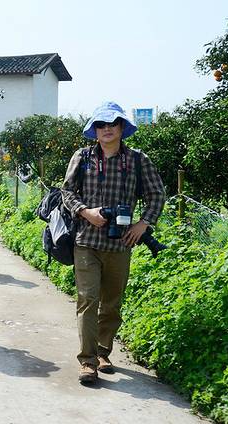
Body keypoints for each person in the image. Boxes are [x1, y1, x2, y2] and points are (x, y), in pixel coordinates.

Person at [61, 102, 165, 383]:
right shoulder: (82, 157)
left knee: (111, 303)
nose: (107, 129)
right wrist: (86, 212)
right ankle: (88, 361)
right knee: (88, 299)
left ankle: (103, 351)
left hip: (120, 244)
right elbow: (67, 192)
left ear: (121, 127)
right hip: (86, 241)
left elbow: (157, 194)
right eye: (101, 124)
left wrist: (143, 224)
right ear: (94, 130)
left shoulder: (138, 160)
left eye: (112, 123)